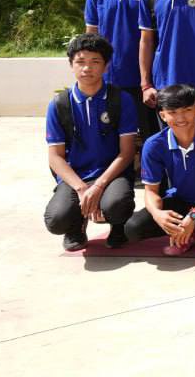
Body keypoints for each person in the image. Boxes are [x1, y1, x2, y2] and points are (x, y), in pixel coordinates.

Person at [44, 34, 138, 251]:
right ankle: (75, 226)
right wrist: (81, 189)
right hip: (75, 176)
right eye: (80, 62)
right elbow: (55, 157)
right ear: (71, 65)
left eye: (95, 61)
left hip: (112, 175)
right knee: (56, 220)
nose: (87, 68)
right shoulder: (59, 104)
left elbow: (126, 152)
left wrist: (99, 186)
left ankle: (117, 227)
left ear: (106, 66)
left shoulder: (121, 100)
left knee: (116, 204)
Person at [124, 83, 195, 256]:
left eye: (187, 110)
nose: (181, 118)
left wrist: (194, 215)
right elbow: (151, 191)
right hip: (181, 200)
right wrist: (157, 214)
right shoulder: (154, 144)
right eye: (173, 112)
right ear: (163, 115)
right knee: (134, 228)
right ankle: (186, 232)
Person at [84, 0, 160, 137]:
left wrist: (148, 81)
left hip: (147, 82)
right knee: (111, 139)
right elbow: (91, 37)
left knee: (149, 139)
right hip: (108, 80)